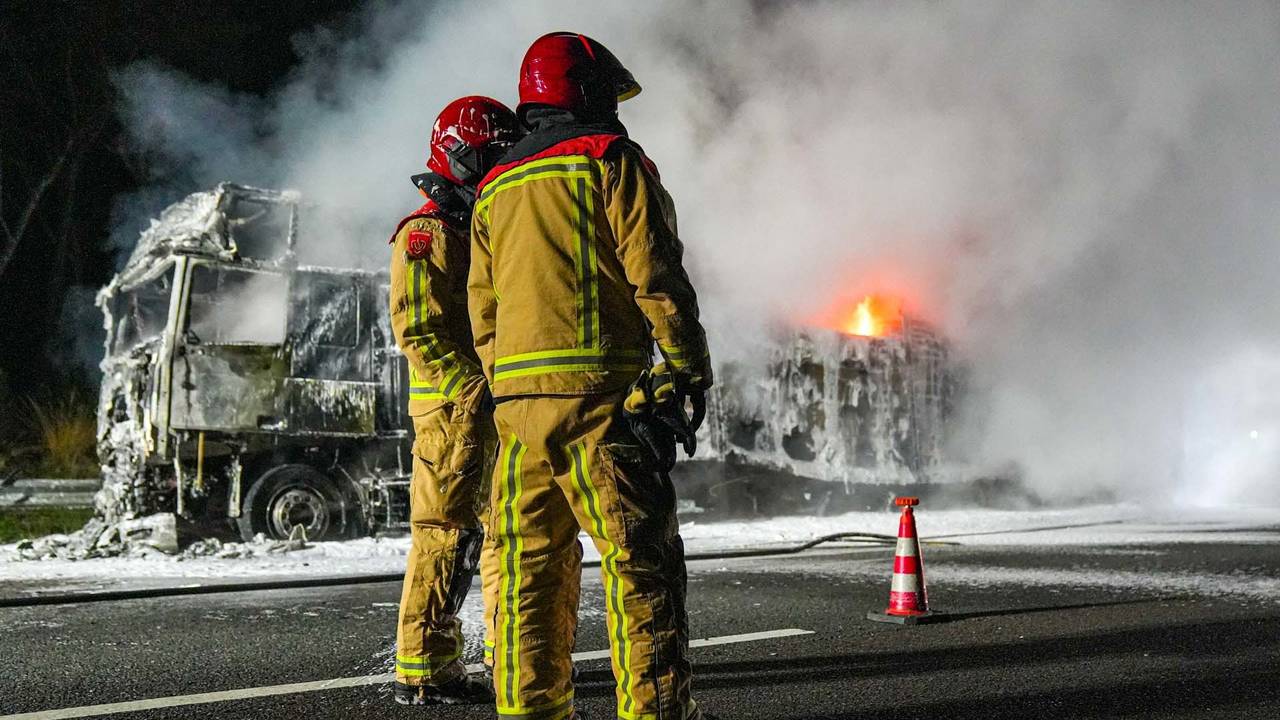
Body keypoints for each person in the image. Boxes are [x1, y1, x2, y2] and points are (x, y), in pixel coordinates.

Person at [469, 32, 714, 720]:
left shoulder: (493, 186)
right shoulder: (610, 160)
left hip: (517, 414)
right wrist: (689, 368)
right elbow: (656, 275)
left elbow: (481, 308)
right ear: (587, 91)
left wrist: (510, 387)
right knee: (640, 568)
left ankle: (530, 712)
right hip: (599, 405)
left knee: (525, 577)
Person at [388, 95, 520, 706]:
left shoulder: (480, 225)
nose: (500, 164)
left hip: (490, 406)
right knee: (444, 532)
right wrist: (472, 391)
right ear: (459, 155)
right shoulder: (426, 233)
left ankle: (508, 655)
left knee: (503, 532)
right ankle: (423, 666)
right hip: (450, 412)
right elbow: (418, 330)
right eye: (491, 154)